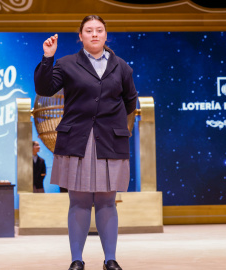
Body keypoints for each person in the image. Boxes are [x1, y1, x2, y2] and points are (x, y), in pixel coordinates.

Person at [34, 15, 138, 270]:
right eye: (88, 30)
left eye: (99, 30)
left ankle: (110, 259)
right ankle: (76, 260)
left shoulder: (121, 66)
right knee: (78, 201)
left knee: (106, 201)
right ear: (80, 36)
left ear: (106, 35)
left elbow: (130, 101)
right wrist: (48, 57)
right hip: (76, 139)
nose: (94, 34)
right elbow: (45, 89)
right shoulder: (66, 63)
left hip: (110, 142)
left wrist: (115, 125)